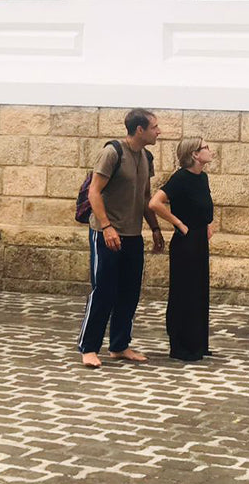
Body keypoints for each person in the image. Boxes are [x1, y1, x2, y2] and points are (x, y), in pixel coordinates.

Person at [76, 108, 166, 369]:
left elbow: (145, 197)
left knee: (129, 291)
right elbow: (94, 192)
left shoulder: (147, 157)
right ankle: (89, 347)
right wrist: (106, 227)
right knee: (103, 291)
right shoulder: (112, 152)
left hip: (132, 234)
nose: (158, 132)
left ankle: (119, 345)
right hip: (106, 233)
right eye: (154, 127)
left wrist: (155, 228)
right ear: (140, 129)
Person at [151, 136, 216, 362]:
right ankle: (181, 346)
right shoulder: (180, 178)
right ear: (195, 154)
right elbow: (155, 203)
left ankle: (197, 344)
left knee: (199, 291)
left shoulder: (203, 177)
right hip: (185, 241)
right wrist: (178, 223)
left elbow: (202, 205)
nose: (209, 150)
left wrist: (208, 223)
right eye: (205, 147)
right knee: (184, 292)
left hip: (199, 240)